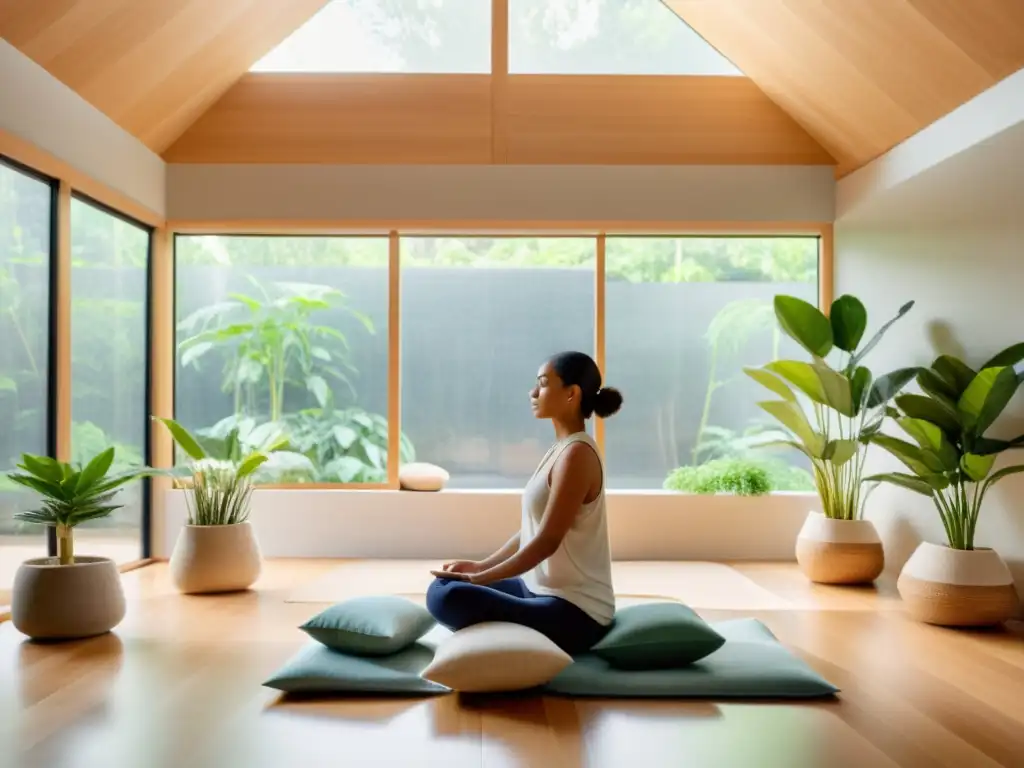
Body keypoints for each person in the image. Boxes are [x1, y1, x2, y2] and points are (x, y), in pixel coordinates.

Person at [426, 351, 623, 655]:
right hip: (537, 590)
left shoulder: (577, 455)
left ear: (571, 394)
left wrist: (480, 579)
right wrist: (481, 566)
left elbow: (546, 541)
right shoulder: (561, 448)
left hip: (576, 612)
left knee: (449, 598)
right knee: (443, 588)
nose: (533, 392)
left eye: (543, 384)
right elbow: (533, 530)